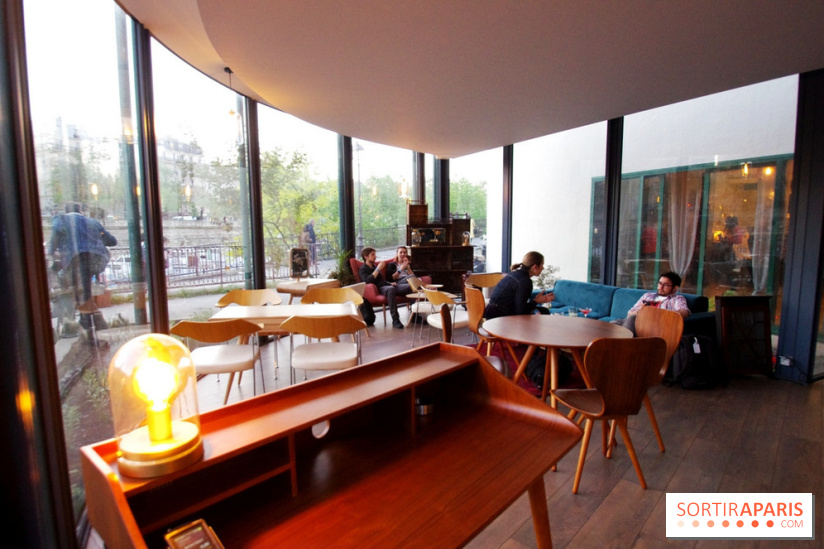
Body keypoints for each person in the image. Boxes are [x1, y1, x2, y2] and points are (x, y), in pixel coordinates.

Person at [49, 202, 117, 340]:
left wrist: (53, 253)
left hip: (75, 260)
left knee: (74, 289)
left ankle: (83, 321)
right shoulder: (92, 222)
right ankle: (89, 321)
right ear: (80, 211)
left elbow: (52, 245)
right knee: (82, 291)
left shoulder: (60, 220)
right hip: (96, 260)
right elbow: (112, 241)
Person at [484, 251, 555, 319]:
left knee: (542, 311)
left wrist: (536, 301)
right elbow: (520, 312)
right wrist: (536, 301)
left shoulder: (515, 274)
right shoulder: (525, 281)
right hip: (500, 318)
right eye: (542, 265)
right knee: (544, 312)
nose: (543, 268)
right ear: (535, 267)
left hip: (491, 314)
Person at [615, 271, 690, 334]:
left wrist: (660, 313)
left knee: (631, 319)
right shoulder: (648, 296)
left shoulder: (677, 299)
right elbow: (629, 313)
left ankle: (624, 344)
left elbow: (684, 312)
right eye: (660, 283)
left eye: (665, 285)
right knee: (613, 324)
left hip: (655, 326)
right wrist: (640, 311)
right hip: (638, 321)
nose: (661, 287)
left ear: (675, 288)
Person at [359, 246, 404, 329]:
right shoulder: (363, 268)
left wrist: (390, 283)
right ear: (366, 257)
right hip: (378, 289)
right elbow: (368, 281)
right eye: (373, 254)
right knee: (391, 289)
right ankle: (395, 319)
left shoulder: (374, 266)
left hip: (386, 286)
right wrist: (378, 269)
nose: (375, 256)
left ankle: (415, 315)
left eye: (375, 254)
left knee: (410, 287)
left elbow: (382, 280)